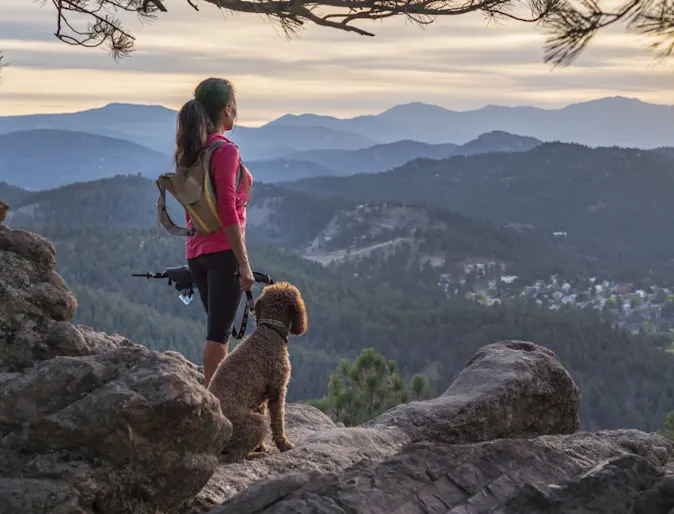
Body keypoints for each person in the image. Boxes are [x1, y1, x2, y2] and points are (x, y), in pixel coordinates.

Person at [174, 77, 254, 388]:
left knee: (217, 329)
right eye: (234, 105)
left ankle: (217, 399)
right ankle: (217, 406)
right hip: (223, 254)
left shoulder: (191, 152)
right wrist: (243, 262)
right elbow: (227, 210)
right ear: (226, 109)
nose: (236, 111)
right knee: (218, 335)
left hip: (197, 253)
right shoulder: (224, 151)